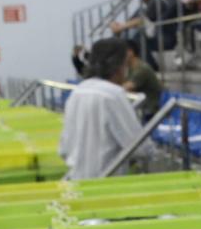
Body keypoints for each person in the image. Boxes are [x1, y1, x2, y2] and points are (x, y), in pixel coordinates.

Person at [60, 38, 141, 180]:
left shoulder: (77, 92)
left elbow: (64, 149)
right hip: (106, 179)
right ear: (119, 67)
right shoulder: (113, 95)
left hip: (76, 179)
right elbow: (137, 145)